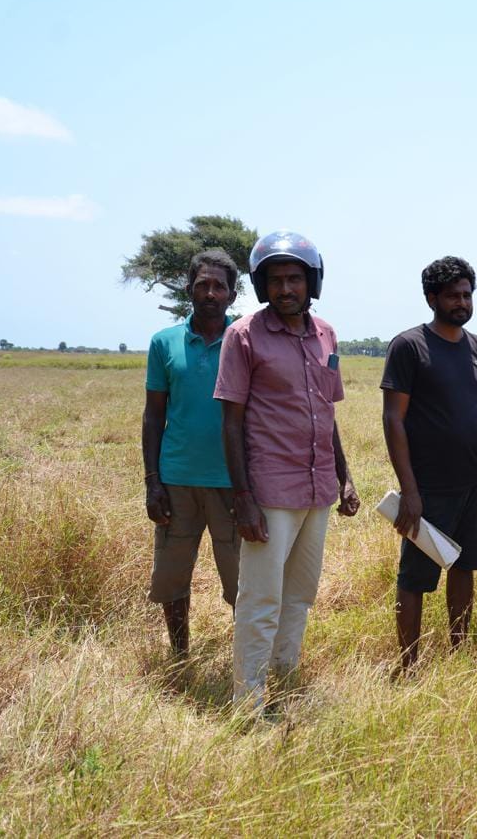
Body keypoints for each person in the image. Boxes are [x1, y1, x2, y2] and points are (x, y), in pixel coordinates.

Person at [214, 230, 360, 711]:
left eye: (294, 279)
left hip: (317, 489)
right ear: (261, 286)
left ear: (311, 281)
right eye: (275, 280)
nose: (285, 289)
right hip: (270, 491)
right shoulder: (243, 335)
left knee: (299, 595)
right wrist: (243, 498)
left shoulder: (326, 334)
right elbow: (231, 422)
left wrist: (344, 477)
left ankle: (285, 680)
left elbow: (327, 413)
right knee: (261, 598)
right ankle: (248, 701)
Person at [382, 256, 477, 667]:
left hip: (473, 477)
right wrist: (410, 490)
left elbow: (471, 407)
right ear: (432, 298)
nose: (461, 302)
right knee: (416, 576)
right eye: (452, 296)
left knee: (463, 566)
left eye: (467, 295)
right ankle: (408, 664)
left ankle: (458, 654)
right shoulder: (409, 346)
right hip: (427, 483)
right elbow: (393, 419)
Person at [141, 248, 241, 656]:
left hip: (233, 483)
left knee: (242, 582)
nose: (210, 293)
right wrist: (152, 482)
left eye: (219, 286)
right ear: (189, 290)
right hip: (176, 481)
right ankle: (180, 655)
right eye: (202, 285)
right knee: (171, 577)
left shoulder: (246, 339)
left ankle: (246, 662)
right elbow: (153, 415)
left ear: (233, 294)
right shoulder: (163, 342)